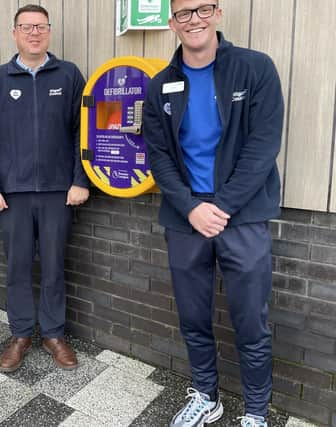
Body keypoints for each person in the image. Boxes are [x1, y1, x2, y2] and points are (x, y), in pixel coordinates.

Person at [142, 1, 283, 426]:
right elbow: (159, 156)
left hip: (241, 216)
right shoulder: (160, 84)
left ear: (218, 13)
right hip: (186, 219)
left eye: (203, 8)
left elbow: (263, 145)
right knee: (193, 317)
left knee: (250, 322)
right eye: (184, 13)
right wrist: (191, 207)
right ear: (172, 23)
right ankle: (206, 395)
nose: (194, 19)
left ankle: (256, 411)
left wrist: (219, 207)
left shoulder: (255, 68)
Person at [0, 4, 89, 373]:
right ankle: (21, 333)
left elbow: (81, 133)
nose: (34, 33)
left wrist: (80, 180)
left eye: (40, 26)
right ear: (15, 33)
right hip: (12, 194)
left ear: (49, 31)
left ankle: (54, 333)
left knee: (55, 265)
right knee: (18, 267)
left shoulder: (69, 75)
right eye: (26, 27)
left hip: (59, 192)